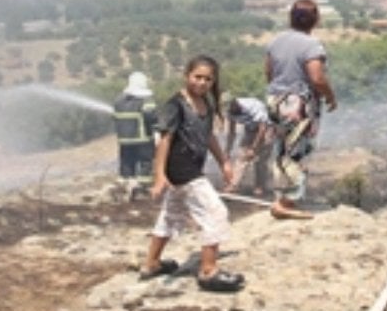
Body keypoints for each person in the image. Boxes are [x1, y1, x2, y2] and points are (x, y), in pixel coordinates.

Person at [138, 55, 244, 293]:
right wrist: (159, 176)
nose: (202, 82)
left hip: (189, 168)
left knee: (170, 215)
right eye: (197, 77)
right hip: (182, 169)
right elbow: (165, 140)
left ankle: (152, 264)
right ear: (187, 76)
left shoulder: (204, 102)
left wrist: (224, 162)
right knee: (215, 212)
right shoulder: (176, 105)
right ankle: (208, 271)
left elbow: (208, 137)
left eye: (208, 79)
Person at [265, 0, 337, 219]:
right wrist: (330, 97)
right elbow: (316, 77)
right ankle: (288, 202)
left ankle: (281, 198)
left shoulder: (275, 42)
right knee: (297, 152)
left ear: (291, 18)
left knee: (281, 151)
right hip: (298, 104)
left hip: (275, 100)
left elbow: (269, 73)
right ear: (315, 20)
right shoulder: (311, 46)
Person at [112, 71, 158, 200]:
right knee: (145, 162)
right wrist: (157, 128)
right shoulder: (145, 99)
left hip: (124, 141)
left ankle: (126, 186)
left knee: (127, 162)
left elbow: (114, 118)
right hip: (143, 139)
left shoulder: (118, 100)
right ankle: (142, 188)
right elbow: (151, 117)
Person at [224, 96, 274, 197]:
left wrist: (253, 149)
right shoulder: (230, 111)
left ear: (240, 107)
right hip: (250, 129)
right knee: (242, 156)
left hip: (267, 129)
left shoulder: (254, 106)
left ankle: (259, 186)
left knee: (260, 161)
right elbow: (232, 132)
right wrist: (227, 150)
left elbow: (262, 129)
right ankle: (234, 185)